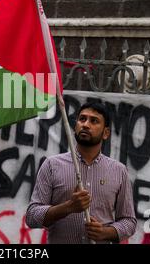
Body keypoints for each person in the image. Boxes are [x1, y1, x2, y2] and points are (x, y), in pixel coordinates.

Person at [26, 102, 137, 244]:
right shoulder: (52, 165)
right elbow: (32, 216)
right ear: (74, 127)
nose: (85, 124)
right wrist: (68, 207)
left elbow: (129, 221)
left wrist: (105, 232)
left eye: (94, 121)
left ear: (106, 133)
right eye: (82, 119)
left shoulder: (119, 171)